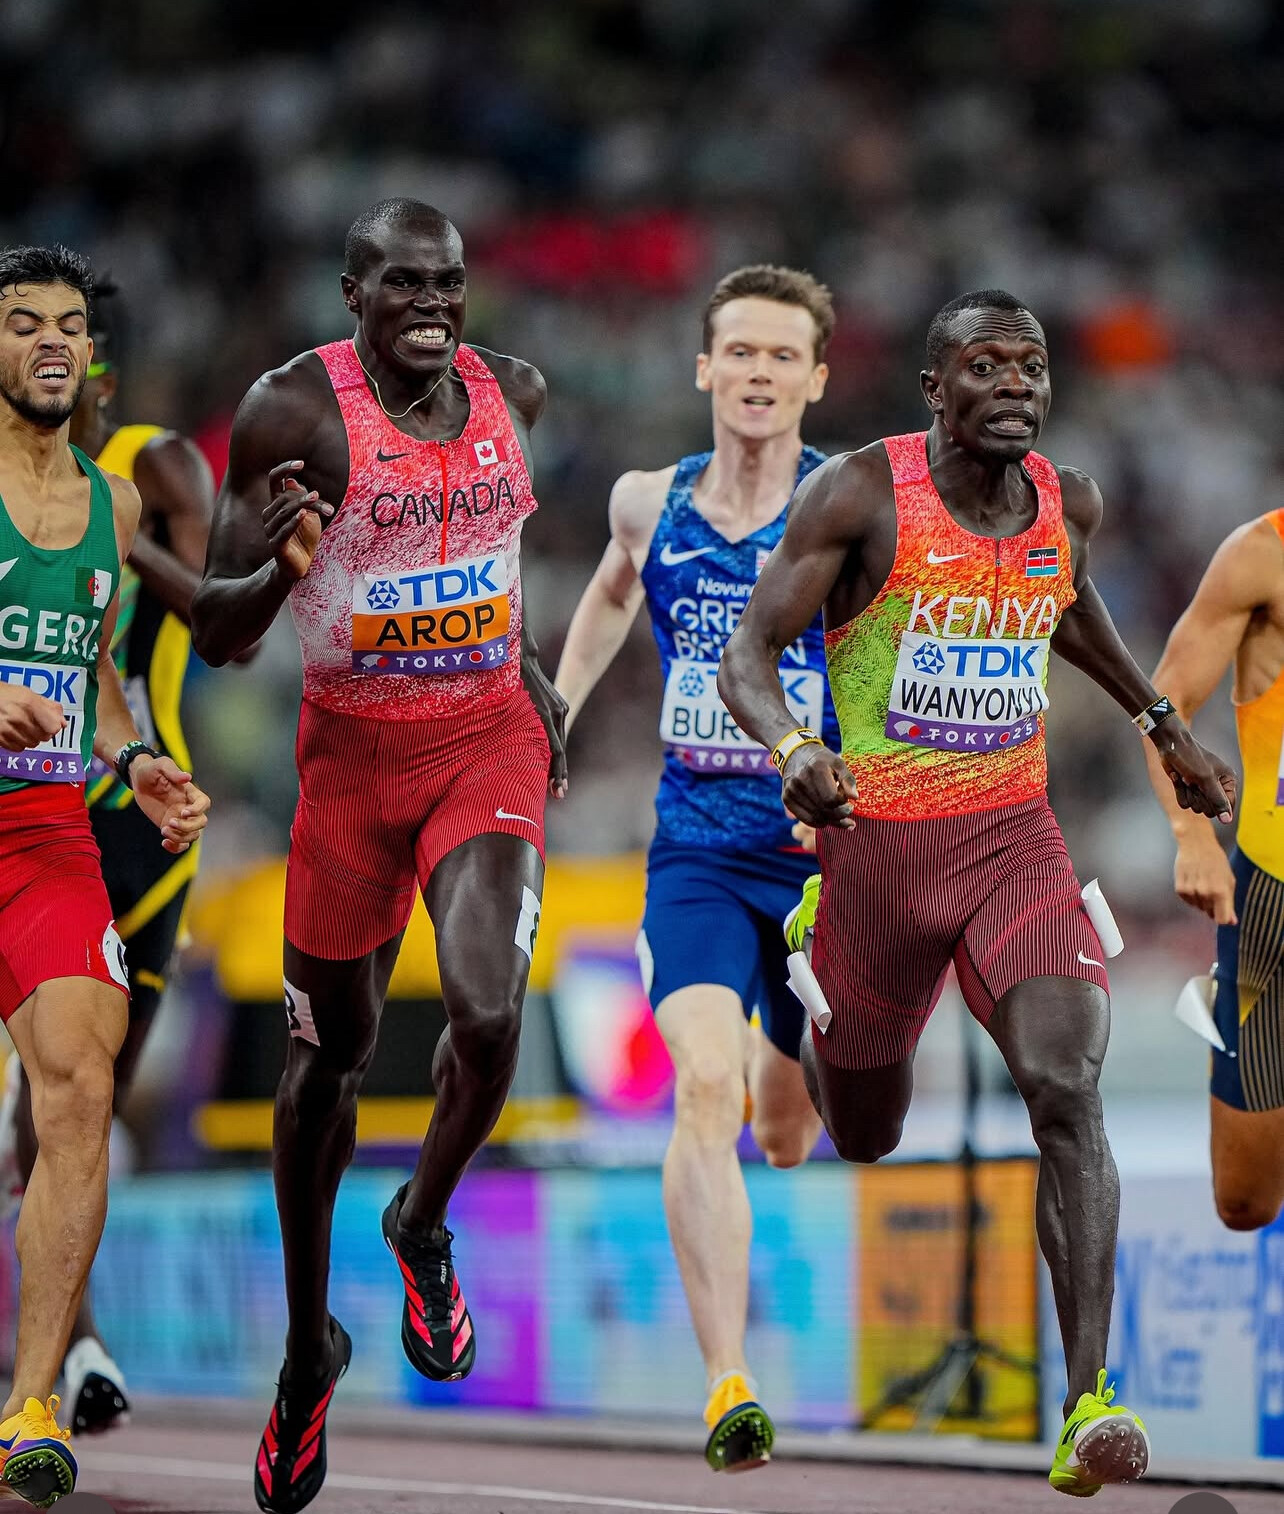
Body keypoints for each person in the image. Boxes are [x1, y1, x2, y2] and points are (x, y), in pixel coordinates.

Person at [718, 289, 1237, 1498]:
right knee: (867, 1132)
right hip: (874, 857)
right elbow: (749, 651)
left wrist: (1162, 724)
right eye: (987, 367)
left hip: (1014, 842)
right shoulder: (858, 494)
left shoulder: (1067, 502)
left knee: (1066, 1084)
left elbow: (1068, 603)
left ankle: (1091, 1401)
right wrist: (795, 747)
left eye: (1032, 367)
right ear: (933, 388)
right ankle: (810, 955)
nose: (1015, 387)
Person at [190, 199, 567, 1514]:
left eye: (449, 281)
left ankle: (421, 1219)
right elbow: (218, 632)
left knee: (491, 1009)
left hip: (483, 744)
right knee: (325, 1064)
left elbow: (493, 553)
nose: (432, 303)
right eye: (403, 282)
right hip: (350, 770)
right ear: (352, 292)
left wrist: (530, 666)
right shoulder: (292, 412)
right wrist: (279, 568)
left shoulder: (515, 393)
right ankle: (309, 1352)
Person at [555, 264, 831, 1471]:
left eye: (785, 355)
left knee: (787, 1130)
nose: (761, 372)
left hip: (823, 862)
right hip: (700, 854)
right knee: (704, 1089)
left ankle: (789, 1048)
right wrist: (557, 710)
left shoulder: (847, 506)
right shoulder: (645, 501)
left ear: (816, 379)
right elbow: (611, 595)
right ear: (707, 367)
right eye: (743, 351)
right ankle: (729, 1381)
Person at [0, 243, 208, 1505]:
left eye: (68, 324)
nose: (50, 341)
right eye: (23, 321)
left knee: (80, 1088)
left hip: (45, 834)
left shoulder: (113, 505)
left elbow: (98, 671)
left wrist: (133, 757)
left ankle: (32, 1400)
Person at [1143, 513, 1284, 1231]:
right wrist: (1191, 837)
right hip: (1270, 905)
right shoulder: (1263, 555)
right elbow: (1160, 705)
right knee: (1244, 1201)